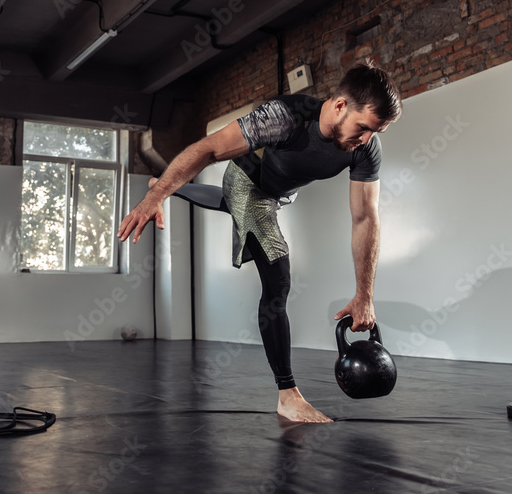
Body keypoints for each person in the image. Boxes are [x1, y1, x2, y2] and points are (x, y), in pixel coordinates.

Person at [118, 60, 402, 423]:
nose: (364, 139)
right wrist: (155, 197)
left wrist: (365, 295)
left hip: (279, 193)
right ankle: (288, 396)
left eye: (374, 132)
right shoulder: (284, 117)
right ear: (340, 106)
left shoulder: (365, 147)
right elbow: (209, 148)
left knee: (246, 210)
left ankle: (176, 186)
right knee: (277, 275)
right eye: (363, 127)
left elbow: (365, 217)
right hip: (247, 183)